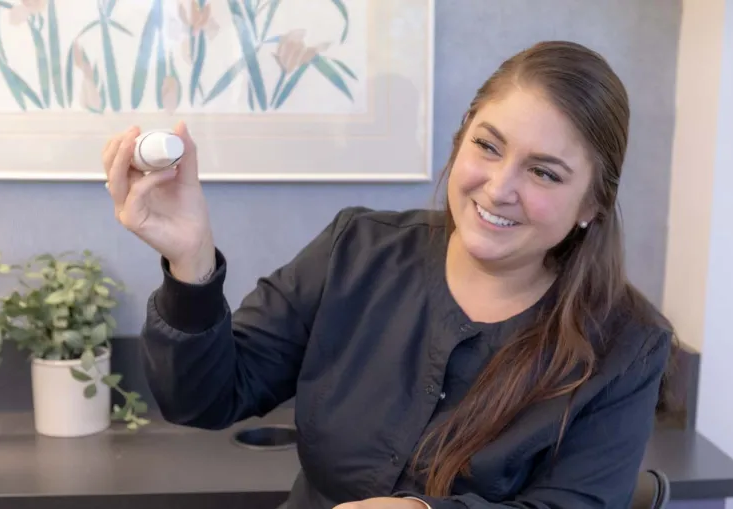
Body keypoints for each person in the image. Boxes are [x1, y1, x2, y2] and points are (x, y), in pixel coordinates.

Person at [103, 40, 676, 509]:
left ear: (590, 207)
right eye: (488, 146)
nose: (500, 188)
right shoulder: (357, 249)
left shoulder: (628, 344)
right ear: (460, 142)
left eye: (545, 173)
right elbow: (204, 398)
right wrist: (191, 261)